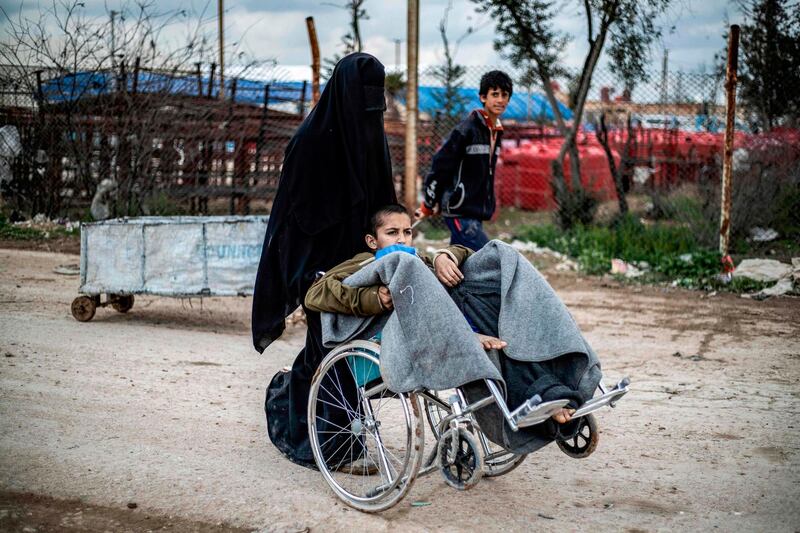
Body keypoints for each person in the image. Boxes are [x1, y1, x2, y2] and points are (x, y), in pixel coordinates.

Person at [251, 53, 397, 468]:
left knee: (339, 349)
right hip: (313, 264)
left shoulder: (372, 137)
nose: (371, 111)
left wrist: (389, 245)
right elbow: (297, 220)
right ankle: (336, 447)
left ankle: (291, 408)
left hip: (360, 262)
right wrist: (313, 274)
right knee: (332, 345)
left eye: (377, 100)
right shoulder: (311, 144)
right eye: (364, 99)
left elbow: (381, 202)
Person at [306, 204, 577, 425]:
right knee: (411, 270)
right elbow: (315, 293)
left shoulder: (417, 260)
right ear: (372, 240)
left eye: (407, 232)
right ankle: (470, 337)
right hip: (394, 342)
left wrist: (444, 255)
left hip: (440, 327)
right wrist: (370, 298)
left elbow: (467, 253)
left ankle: (547, 389)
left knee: (496, 304)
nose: (401, 238)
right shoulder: (364, 261)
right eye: (392, 232)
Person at [415, 70, 513, 251]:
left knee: (461, 263)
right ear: (483, 97)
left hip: (475, 210)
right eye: (495, 94)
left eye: (504, 95)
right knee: (489, 255)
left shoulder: (496, 132)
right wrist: (429, 203)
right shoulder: (466, 130)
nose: (500, 100)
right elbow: (440, 165)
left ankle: (444, 279)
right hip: (459, 209)